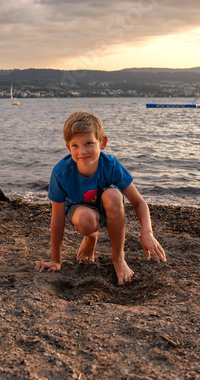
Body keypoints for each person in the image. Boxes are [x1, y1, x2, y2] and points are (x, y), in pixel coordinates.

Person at [35, 110, 166, 285]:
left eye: (89, 143)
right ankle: (91, 236)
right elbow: (57, 219)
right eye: (75, 145)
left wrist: (147, 232)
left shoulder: (111, 165)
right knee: (85, 219)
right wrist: (55, 260)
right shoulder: (61, 172)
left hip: (108, 209)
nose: (82, 151)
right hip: (81, 213)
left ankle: (118, 258)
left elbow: (138, 202)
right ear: (68, 147)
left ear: (102, 143)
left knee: (113, 194)